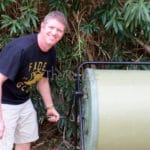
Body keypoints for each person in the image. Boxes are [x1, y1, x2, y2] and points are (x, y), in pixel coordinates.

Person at [0, 11, 68, 150]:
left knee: (25, 140)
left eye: (59, 30)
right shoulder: (20, 49)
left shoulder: (50, 52)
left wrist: (50, 107)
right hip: (4, 103)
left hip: (23, 101)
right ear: (42, 26)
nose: (54, 32)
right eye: (51, 27)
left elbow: (42, 81)